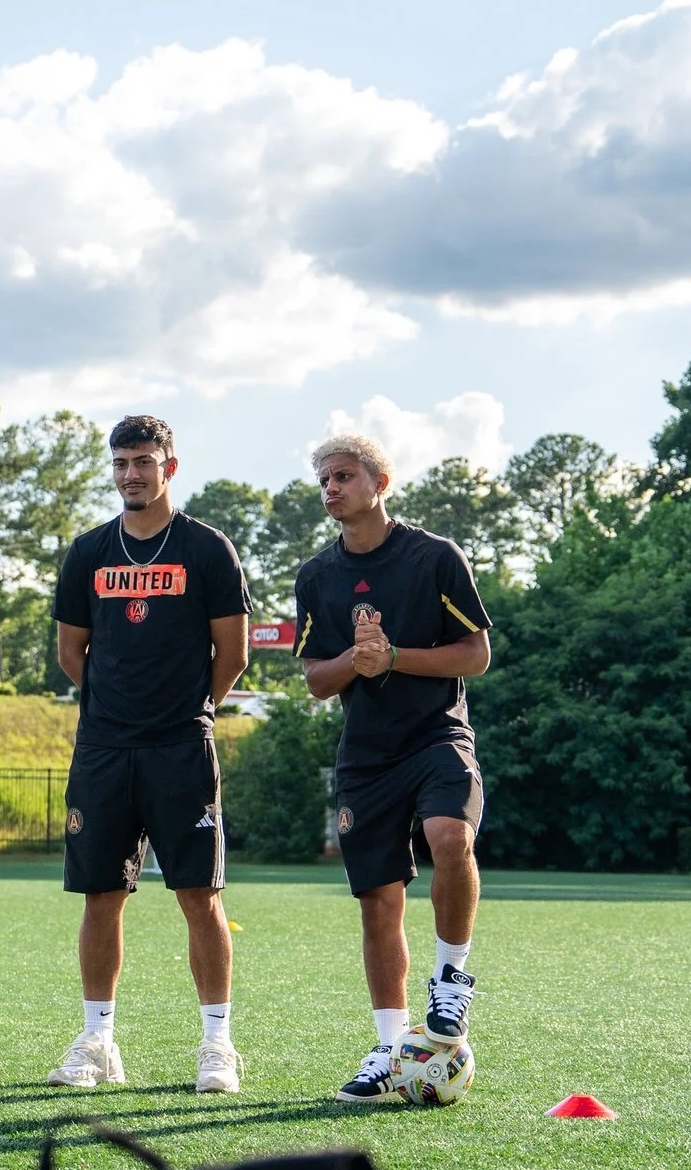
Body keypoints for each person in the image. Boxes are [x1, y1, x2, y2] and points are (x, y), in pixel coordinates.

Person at [45, 416, 252, 1096]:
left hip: (179, 747)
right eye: (121, 461)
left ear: (170, 465)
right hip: (104, 747)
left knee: (199, 895)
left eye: (143, 460)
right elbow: (71, 652)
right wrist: (115, 707)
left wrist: (188, 709)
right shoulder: (88, 553)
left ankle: (217, 1043)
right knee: (101, 897)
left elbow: (235, 652)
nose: (131, 472)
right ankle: (98, 1038)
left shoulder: (207, 549)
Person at [292, 435, 493, 1103]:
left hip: (436, 734)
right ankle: (390, 1047)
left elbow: (476, 655)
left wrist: (395, 656)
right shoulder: (316, 575)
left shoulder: (435, 557)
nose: (331, 488)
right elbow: (317, 680)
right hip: (366, 754)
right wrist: (357, 660)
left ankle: (452, 981)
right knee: (379, 902)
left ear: (381, 481)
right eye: (324, 478)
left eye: (344, 476)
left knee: (449, 838)